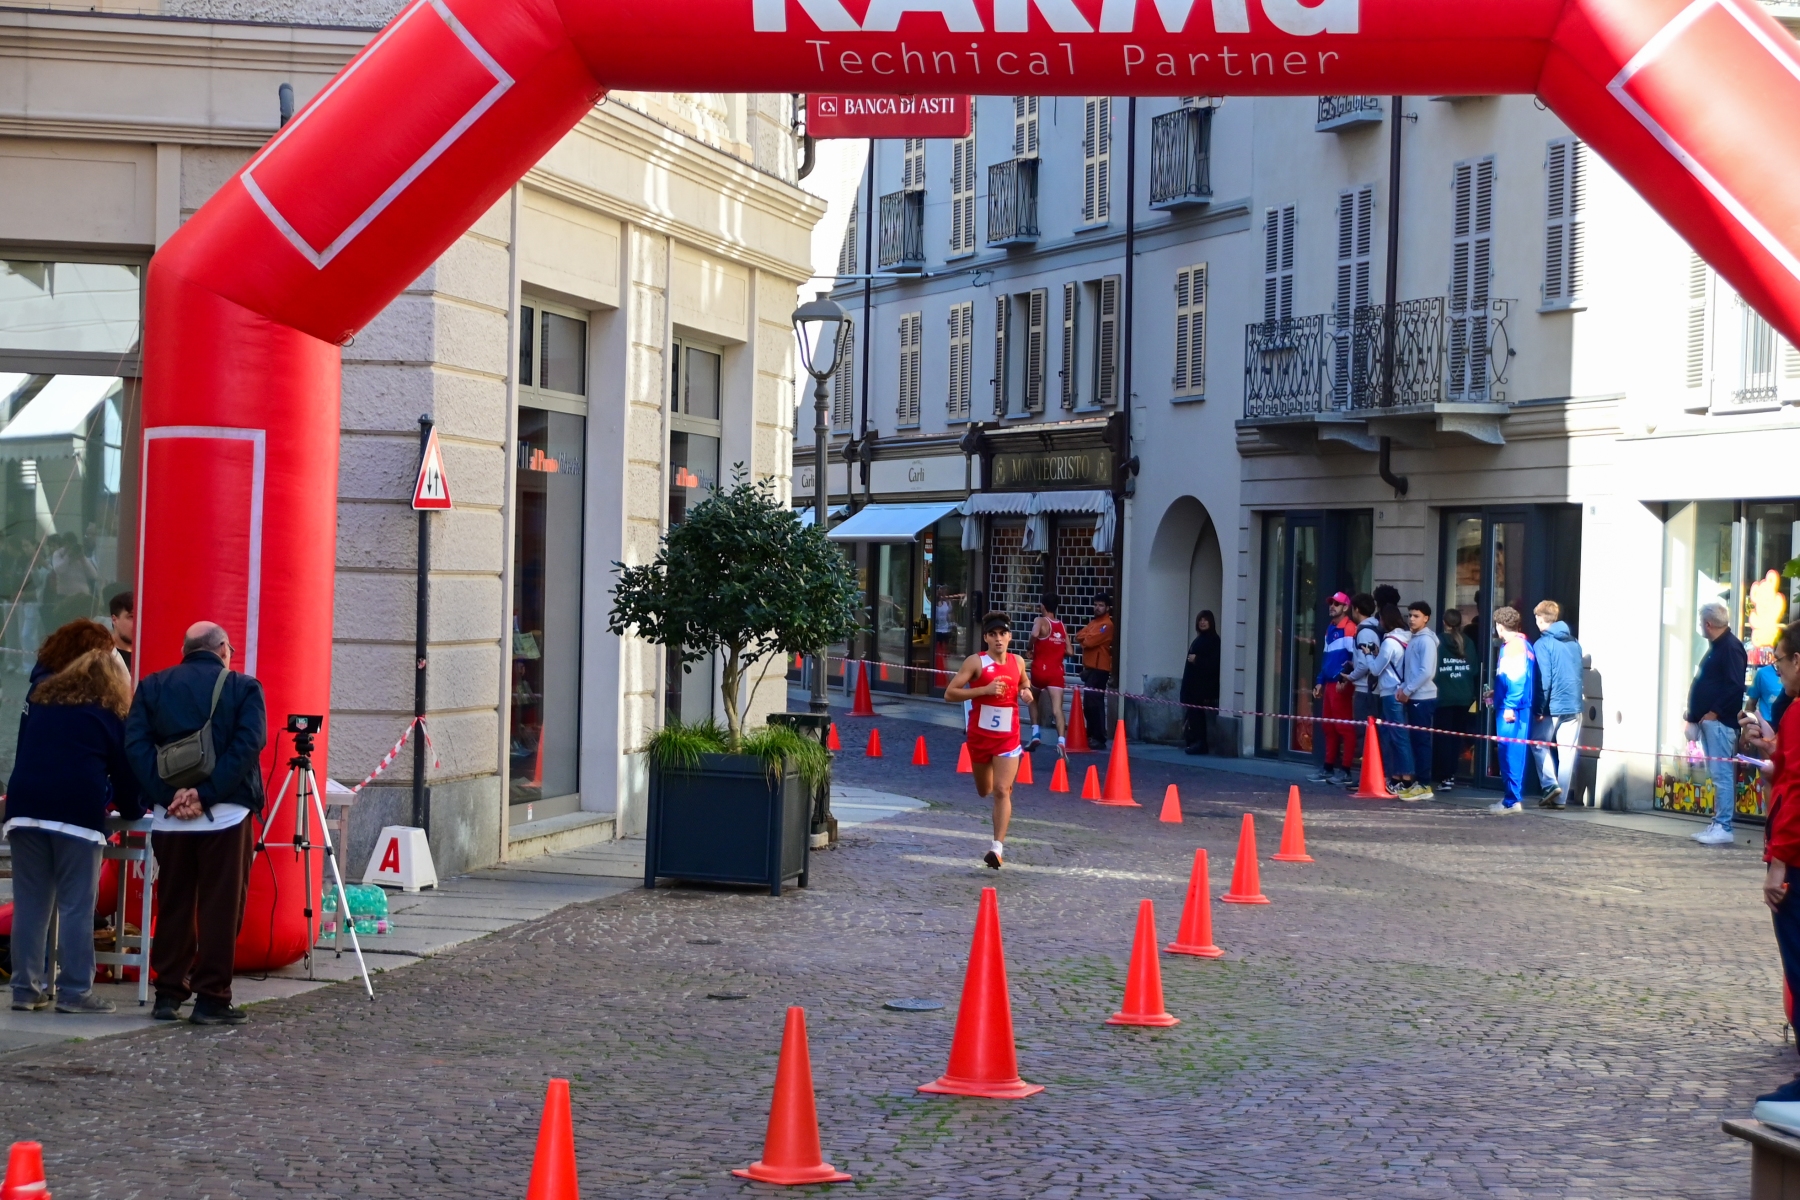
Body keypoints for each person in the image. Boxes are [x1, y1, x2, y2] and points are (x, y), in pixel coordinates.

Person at [124, 621, 267, 1025]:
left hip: (170, 818)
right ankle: (211, 999)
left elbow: (135, 744)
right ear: (223, 649)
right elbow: (248, 745)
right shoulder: (243, 688)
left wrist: (167, 794)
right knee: (221, 908)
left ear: (185, 650)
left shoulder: (153, 686)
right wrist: (206, 794)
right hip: (226, 814)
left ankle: (168, 994)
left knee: (174, 904)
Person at [5, 647, 144, 1013]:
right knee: (76, 907)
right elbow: (126, 775)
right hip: (76, 817)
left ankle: (25, 989)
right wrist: (133, 809)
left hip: (24, 811)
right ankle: (75, 991)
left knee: (30, 906)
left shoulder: (40, 702)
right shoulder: (108, 712)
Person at [1750, 623, 1800, 1130]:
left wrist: (1780, 863)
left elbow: (1798, 790)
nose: (1778, 671)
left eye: (1781, 661)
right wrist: (1771, 751)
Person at [944, 612, 1034, 870]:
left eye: (1002, 634)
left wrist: (1025, 691)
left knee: (1002, 789)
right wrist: (984, 690)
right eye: (993, 634)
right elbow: (950, 693)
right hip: (980, 737)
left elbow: (1024, 682)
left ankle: (997, 848)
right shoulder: (976, 662)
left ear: (1010, 637)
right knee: (985, 790)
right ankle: (994, 789)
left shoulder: (1017, 662)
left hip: (1008, 737)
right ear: (985, 638)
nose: (998, 639)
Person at [1688, 599, 1748, 846]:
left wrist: (1714, 712)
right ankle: (1718, 823)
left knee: (1722, 775)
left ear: (1707, 624)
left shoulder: (1730, 648)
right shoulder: (1719, 647)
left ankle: (1723, 826)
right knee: (1718, 775)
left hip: (1721, 724)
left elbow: (1734, 685)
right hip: (1712, 722)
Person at [1531, 600, 1584, 808]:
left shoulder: (1542, 644)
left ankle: (1550, 784)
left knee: (1538, 744)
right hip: (1573, 704)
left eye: (1536, 617)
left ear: (1540, 619)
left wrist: (1539, 708)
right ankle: (1560, 800)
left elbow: (1544, 680)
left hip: (1552, 706)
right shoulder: (1574, 642)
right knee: (1567, 752)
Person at [1487, 606, 1536, 814]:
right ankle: (1511, 798)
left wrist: (1508, 705)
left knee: (1509, 754)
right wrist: (1497, 692)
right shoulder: (1521, 644)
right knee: (1511, 753)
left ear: (1499, 626)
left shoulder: (1514, 647)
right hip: (1515, 706)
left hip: (1513, 709)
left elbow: (1517, 679)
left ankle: (1511, 800)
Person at [1309, 592, 1359, 785]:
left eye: (1336, 604)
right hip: (1330, 683)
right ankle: (1328, 767)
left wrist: (1343, 678)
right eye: (1331, 603)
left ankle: (1345, 771)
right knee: (1329, 727)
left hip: (1341, 684)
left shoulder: (1349, 628)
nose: (1332, 606)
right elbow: (1326, 658)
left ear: (1346, 607)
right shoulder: (1330, 628)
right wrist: (1320, 681)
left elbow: (1354, 659)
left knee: (1344, 728)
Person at [1370, 604, 1415, 797]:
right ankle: (1398, 777)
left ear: (1385, 620)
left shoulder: (1389, 642)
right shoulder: (1408, 638)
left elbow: (1375, 669)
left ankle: (1405, 779)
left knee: (1397, 737)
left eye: (1380, 618)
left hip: (1391, 692)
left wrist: (1369, 655)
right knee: (1399, 736)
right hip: (1403, 690)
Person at [1431, 609, 1477, 791]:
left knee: (1443, 737)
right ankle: (1451, 774)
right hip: (1464, 697)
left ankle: (1444, 776)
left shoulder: (1438, 642)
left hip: (1443, 696)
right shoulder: (1468, 642)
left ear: (1444, 622)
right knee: (1456, 738)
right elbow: (1474, 669)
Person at [1396, 601, 1438, 800]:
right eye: (1410, 615)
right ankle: (1419, 782)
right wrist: (1404, 688)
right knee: (1416, 741)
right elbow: (1413, 670)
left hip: (1423, 697)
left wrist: (1407, 689)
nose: (1411, 619)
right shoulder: (1415, 638)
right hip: (1415, 695)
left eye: (1416, 616)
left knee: (1421, 742)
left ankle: (1424, 784)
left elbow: (1426, 672)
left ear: (1426, 618)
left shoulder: (1426, 641)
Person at [1341, 592, 1381, 790]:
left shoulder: (1364, 632)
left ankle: (1367, 776)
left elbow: (1365, 664)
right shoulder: (1376, 628)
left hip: (1365, 689)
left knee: (1363, 735)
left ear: (1356, 609)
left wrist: (1351, 676)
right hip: (1373, 688)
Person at [1026, 593, 1068, 753]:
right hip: (1056, 672)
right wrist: (1056, 648)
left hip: (1040, 670)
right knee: (1057, 709)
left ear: (1043, 606)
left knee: (1032, 699)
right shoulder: (1062, 626)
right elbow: (1070, 651)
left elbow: (1035, 634)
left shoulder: (1040, 621)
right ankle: (1061, 741)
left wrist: (1030, 647)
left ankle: (1035, 733)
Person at [1074, 592, 1115, 751]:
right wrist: (1087, 637)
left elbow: (1089, 641)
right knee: (1089, 704)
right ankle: (1091, 735)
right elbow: (1079, 636)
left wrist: (1087, 637)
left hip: (1100, 668)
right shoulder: (1094, 623)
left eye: (1101, 605)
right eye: (1096, 605)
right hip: (1091, 667)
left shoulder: (1107, 625)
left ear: (1107, 608)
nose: (1097, 608)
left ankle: (1099, 737)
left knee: (1095, 704)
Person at [1181, 610, 1221, 756]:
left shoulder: (1213, 640)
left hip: (1203, 687)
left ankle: (1201, 743)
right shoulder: (1199, 639)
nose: (1202, 623)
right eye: (1200, 620)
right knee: (1193, 716)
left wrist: (1197, 660)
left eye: (1205, 620)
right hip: (1193, 686)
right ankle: (1194, 741)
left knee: (1198, 717)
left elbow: (1214, 664)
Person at [108, 591, 134, 674]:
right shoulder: (103, 657)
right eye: (131, 617)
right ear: (114, 620)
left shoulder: (150, 656)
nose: (138, 623)